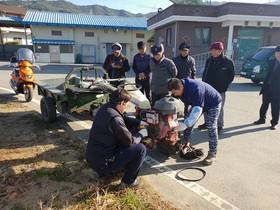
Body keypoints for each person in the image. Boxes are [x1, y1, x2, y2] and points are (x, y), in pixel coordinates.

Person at [86, 88, 148, 187]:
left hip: (92, 158)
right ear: (122, 102)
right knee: (140, 149)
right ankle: (128, 182)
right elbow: (129, 142)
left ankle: (100, 172)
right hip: (104, 163)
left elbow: (122, 118)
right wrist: (141, 134)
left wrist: (139, 122)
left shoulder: (105, 109)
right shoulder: (116, 119)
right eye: (127, 104)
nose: (128, 106)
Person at [168, 78, 222, 165]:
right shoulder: (177, 86)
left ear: (181, 87)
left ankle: (213, 153)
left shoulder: (195, 89)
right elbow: (172, 101)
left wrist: (185, 124)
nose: (174, 94)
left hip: (212, 103)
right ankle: (186, 143)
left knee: (211, 127)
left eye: (175, 92)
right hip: (198, 103)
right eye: (172, 92)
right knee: (187, 120)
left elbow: (197, 110)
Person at [198, 42, 235, 133]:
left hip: (220, 89)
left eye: (216, 50)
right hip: (208, 88)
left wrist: (224, 84)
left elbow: (231, 76)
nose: (213, 52)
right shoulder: (209, 60)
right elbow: (205, 73)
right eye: (212, 50)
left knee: (219, 107)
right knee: (206, 106)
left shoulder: (227, 61)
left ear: (221, 50)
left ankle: (219, 125)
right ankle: (207, 122)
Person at [253, 45, 280, 130]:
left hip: (277, 89)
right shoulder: (271, 61)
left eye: (279, 53)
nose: (277, 55)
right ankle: (261, 119)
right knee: (264, 104)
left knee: (275, 106)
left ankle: (274, 123)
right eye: (276, 53)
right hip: (267, 87)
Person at [173, 42, 196, 115]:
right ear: (180, 51)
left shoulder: (191, 60)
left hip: (187, 84)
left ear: (188, 51)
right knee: (174, 100)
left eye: (186, 50)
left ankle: (186, 114)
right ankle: (174, 114)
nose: (184, 52)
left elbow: (193, 72)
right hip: (177, 83)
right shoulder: (175, 60)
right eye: (182, 50)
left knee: (187, 102)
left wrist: (193, 82)